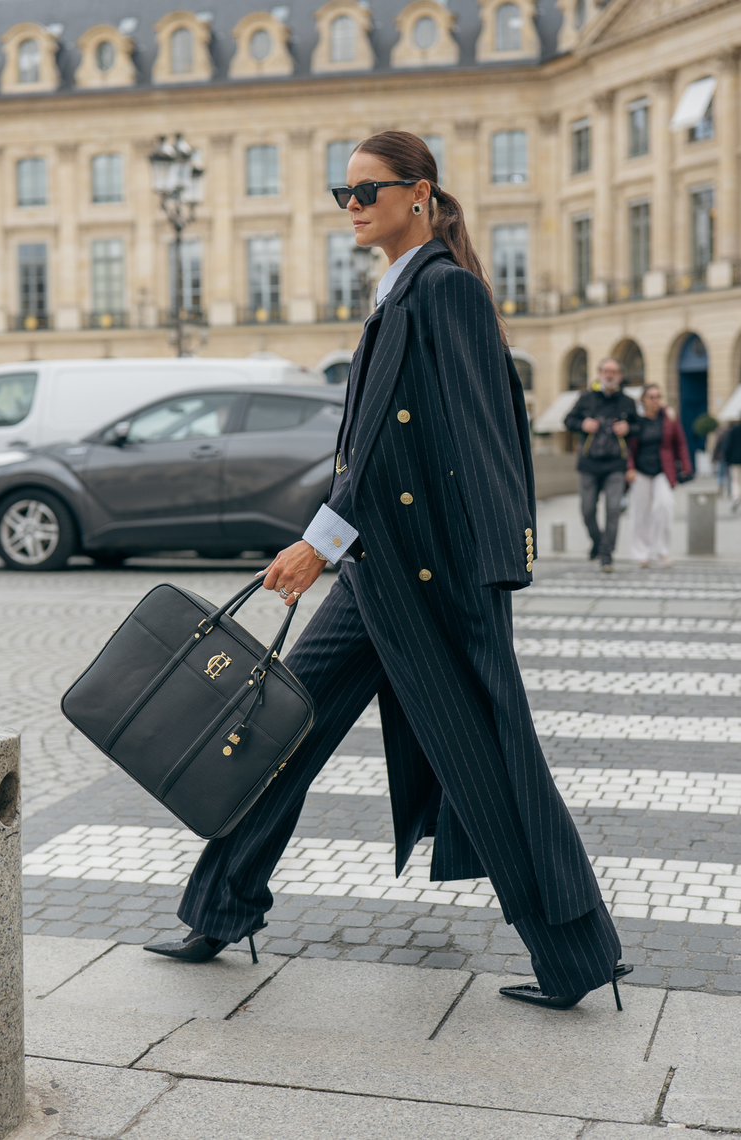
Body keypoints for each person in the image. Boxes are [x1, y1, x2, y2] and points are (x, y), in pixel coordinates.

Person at [145, 131, 631, 1012]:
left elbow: (476, 443)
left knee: (489, 756)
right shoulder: (398, 292)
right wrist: (332, 542)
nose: (355, 205)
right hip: (379, 574)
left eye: (371, 189)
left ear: (422, 194)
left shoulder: (446, 292)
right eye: (346, 192)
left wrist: (344, 546)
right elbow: (376, 450)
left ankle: (575, 954)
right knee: (279, 729)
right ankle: (220, 909)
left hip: (434, 583)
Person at [564, 359, 640, 572]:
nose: (609, 375)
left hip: (616, 464)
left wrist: (629, 427)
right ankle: (597, 542)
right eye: (606, 371)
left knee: (613, 510)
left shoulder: (628, 402)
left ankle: (606, 555)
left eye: (614, 372)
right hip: (589, 464)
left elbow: (639, 427)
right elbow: (568, 421)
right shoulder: (586, 398)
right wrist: (582, 424)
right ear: (599, 374)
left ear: (620, 376)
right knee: (587, 509)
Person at [626, 384, 692, 568]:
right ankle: (642, 553)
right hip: (640, 471)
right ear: (643, 400)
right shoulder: (636, 419)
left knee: (665, 506)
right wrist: (629, 467)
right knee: (641, 512)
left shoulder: (669, 417)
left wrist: (686, 465)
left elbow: (680, 442)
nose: (656, 400)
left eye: (658, 396)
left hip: (663, 470)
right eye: (652, 397)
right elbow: (629, 447)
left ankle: (662, 551)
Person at [725, 421, 741, 512]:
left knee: (735, 480)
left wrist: (727, 459)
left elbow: (729, 445)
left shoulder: (734, 430)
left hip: (734, 459)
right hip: (735, 459)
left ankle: (735, 497)